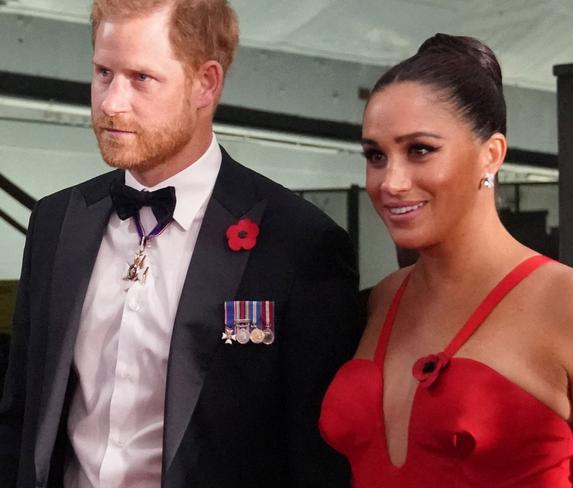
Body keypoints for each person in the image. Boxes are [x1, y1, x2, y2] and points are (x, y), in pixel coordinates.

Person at [0, 1, 359, 487]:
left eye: (141, 78)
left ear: (206, 83)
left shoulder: (298, 245)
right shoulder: (57, 221)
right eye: (103, 72)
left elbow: (312, 457)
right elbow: (20, 413)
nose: (111, 102)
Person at [319, 33, 573, 487]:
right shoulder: (381, 301)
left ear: (490, 155)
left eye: (419, 150)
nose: (390, 181)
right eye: (376, 155)